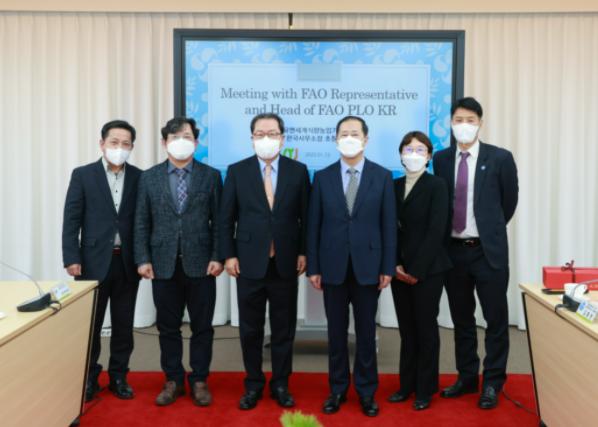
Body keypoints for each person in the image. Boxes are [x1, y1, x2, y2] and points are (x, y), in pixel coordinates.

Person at [307, 116, 397, 417]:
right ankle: (337, 389)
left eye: (354, 134)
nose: (349, 138)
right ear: (335, 140)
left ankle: (367, 391)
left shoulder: (382, 176)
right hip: (332, 266)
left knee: (366, 332)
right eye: (343, 134)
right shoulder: (322, 177)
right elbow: (313, 226)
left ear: (366, 139)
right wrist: (314, 267)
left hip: (368, 266)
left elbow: (388, 226)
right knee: (336, 333)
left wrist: (387, 266)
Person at [220, 113, 310, 410]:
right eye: (260, 134)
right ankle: (253, 383)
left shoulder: (298, 171)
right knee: (250, 329)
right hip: (248, 262)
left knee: (284, 329)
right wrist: (229, 254)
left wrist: (303, 252)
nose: (266, 139)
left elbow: (306, 217)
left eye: (272, 133)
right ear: (252, 139)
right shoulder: (237, 171)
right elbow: (226, 218)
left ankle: (281, 384)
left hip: (285, 262)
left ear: (282, 138)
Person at [433, 97, 518, 409]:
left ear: (480, 123)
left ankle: (493, 382)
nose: (464, 125)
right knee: (462, 319)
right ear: (450, 123)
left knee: (495, 319)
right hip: (453, 252)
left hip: (487, 251)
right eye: (458, 119)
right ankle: (467, 377)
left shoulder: (500, 158)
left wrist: (488, 229)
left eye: (470, 120)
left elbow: (508, 202)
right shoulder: (441, 159)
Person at [134, 117, 223, 407]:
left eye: (186, 136)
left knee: (202, 326)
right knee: (168, 327)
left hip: (202, 263)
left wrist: (217, 256)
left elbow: (219, 222)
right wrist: (143, 258)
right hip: (162, 263)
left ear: (196, 142)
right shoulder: (149, 177)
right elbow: (141, 222)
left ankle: (199, 379)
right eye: (174, 137)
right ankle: (172, 379)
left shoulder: (211, 176)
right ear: (164, 143)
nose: (180, 141)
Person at [62, 120, 142, 402]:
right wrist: (71, 257)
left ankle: (119, 376)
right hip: (91, 262)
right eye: (114, 142)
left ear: (132, 147)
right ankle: (89, 378)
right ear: (102, 143)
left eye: (125, 143)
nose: (119, 147)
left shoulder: (139, 177)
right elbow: (71, 219)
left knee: (123, 325)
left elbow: (143, 221)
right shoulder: (83, 175)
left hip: (127, 262)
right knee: (91, 325)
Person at [387, 131, 452, 411]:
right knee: (407, 329)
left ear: (429, 156)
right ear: (401, 155)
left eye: (420, 150)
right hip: (398, 270)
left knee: (426, 328)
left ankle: (425, 388)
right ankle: (406, 385)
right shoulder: (392, 185)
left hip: (428, 269)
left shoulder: (437, 185)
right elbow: (388, 228)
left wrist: (416, 269)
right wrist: (395, 264)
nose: (413, 155)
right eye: (408, 150)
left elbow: (437, 230)